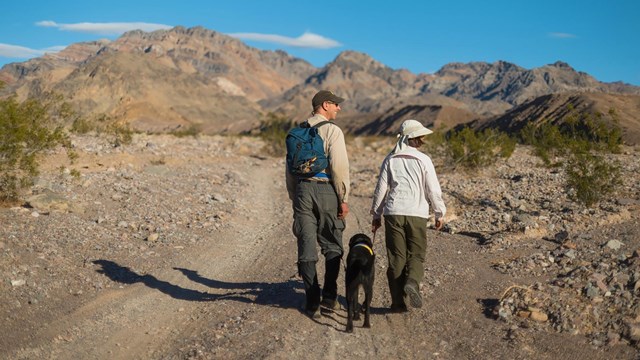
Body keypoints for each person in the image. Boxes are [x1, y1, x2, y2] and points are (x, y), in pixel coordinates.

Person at [286, 90, 350, 318]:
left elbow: (290, 171)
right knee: (332, 243)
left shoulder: (297, 132)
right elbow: (339, 168)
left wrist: (296, 197)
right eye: (335, 104)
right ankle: (330, 297)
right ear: (325, 105)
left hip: (302, 190)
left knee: (306, 243)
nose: (338, 108)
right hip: (325, 190)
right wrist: (343, 199)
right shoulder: (332, 131)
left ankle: (312, 300)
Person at [370, 119, 446, 313]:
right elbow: (433, 190)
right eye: (420, 137)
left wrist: (377, 215)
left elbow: (381, 190)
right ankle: (412, 281)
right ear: (414, 138)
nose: (422, 140)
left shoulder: (390, 159)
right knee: (417, 254)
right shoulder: (424, 160)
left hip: (393, 213)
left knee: (396, 258)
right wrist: (439, 213)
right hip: (417, 214)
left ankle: (397, 303)